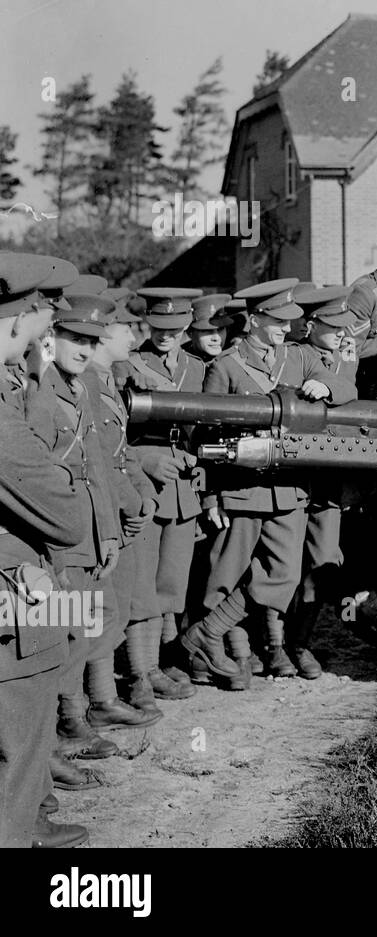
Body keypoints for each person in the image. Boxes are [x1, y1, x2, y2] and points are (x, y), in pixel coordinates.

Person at [188, 278, 354, 687]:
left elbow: (347, 386)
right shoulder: (226, 365)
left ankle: (204, 635)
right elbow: (204, 437)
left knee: (283, 576)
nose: (285, 327)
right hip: (241, 489)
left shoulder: (296, 359)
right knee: (223, 577)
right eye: (278, 320)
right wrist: (210, 496)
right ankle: (221, 655)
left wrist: (327, 385)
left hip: (288, 490)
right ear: (256, 318)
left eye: (289, 320)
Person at [0, 251, 92, 848]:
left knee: (29, 717)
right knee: (19, 726)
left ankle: (32, 816)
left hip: (30, 582)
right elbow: (65, 515)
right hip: (16, 588)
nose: (46, 337)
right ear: (15, 323)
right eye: (42, 323)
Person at [27, 294, 140, 767]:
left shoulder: (82, 386)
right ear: (52, 336)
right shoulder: (38, 389)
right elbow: (34, 474)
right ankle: (61, 725)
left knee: (94, 622)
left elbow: (98, 464)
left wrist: (109, 532)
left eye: (92, 340)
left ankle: (73, 715)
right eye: (76, 338)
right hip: (58, 535)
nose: (84, 348)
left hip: (89, 531)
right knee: (64, 632)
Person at [85, 292, 169, 718]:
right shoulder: (88, 385)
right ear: (102, 336)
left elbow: (122, 452)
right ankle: (97, 701)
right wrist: (133, 504)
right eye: (124, 328)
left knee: (118, 604)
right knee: (100, 608)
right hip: (105, 514)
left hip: (121, 510)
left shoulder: (105, 381)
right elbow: (99, 460)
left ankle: (107, 697)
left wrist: (144, 496)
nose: (132, 334)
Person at [124, 288, 206, 695]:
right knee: (141, 583)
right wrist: (146, 459)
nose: (164, 335)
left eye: (173, 328)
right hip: (144, 484)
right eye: (157, 326)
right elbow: (110, 435)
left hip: (183, 486)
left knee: (171, 581)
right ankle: (141, 673)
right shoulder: (129, 365)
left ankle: (159, 662)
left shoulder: (196, 368)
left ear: (188, 324)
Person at [286, 286, 361, 679]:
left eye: (343, 326)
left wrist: (334, 383)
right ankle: (264, 645)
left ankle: (300, 643)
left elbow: (351, 394)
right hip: (290, 480)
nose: (340, 333)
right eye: (331, 326)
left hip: (328, 485)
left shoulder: (343, 358)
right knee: (277, 568)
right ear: (310, 324)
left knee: (320, 565)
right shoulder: (296, 354)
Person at [185, 294, 233, 363]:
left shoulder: (233, 361)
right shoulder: (181, 362)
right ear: (190, 333)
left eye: (220, 329)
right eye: (207, 331)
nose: (216, 338)